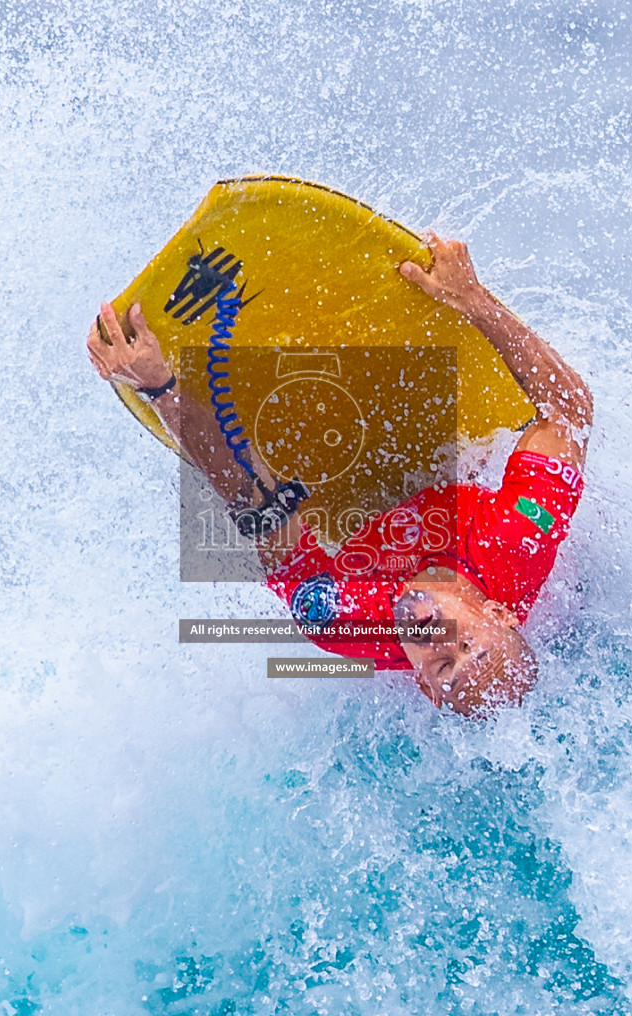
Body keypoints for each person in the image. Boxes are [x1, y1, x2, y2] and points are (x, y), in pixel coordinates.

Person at [86, 233, 592, 716]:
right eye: (464, 641)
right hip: (448, 477)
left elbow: (260, 506)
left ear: (420, 682)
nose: (435, 636)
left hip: (344, 521)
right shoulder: (516, 542)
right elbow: (569, 410)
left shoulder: (342, 622)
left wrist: (160, 387)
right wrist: (473, 299)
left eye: (441, 664)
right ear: (499, 615)